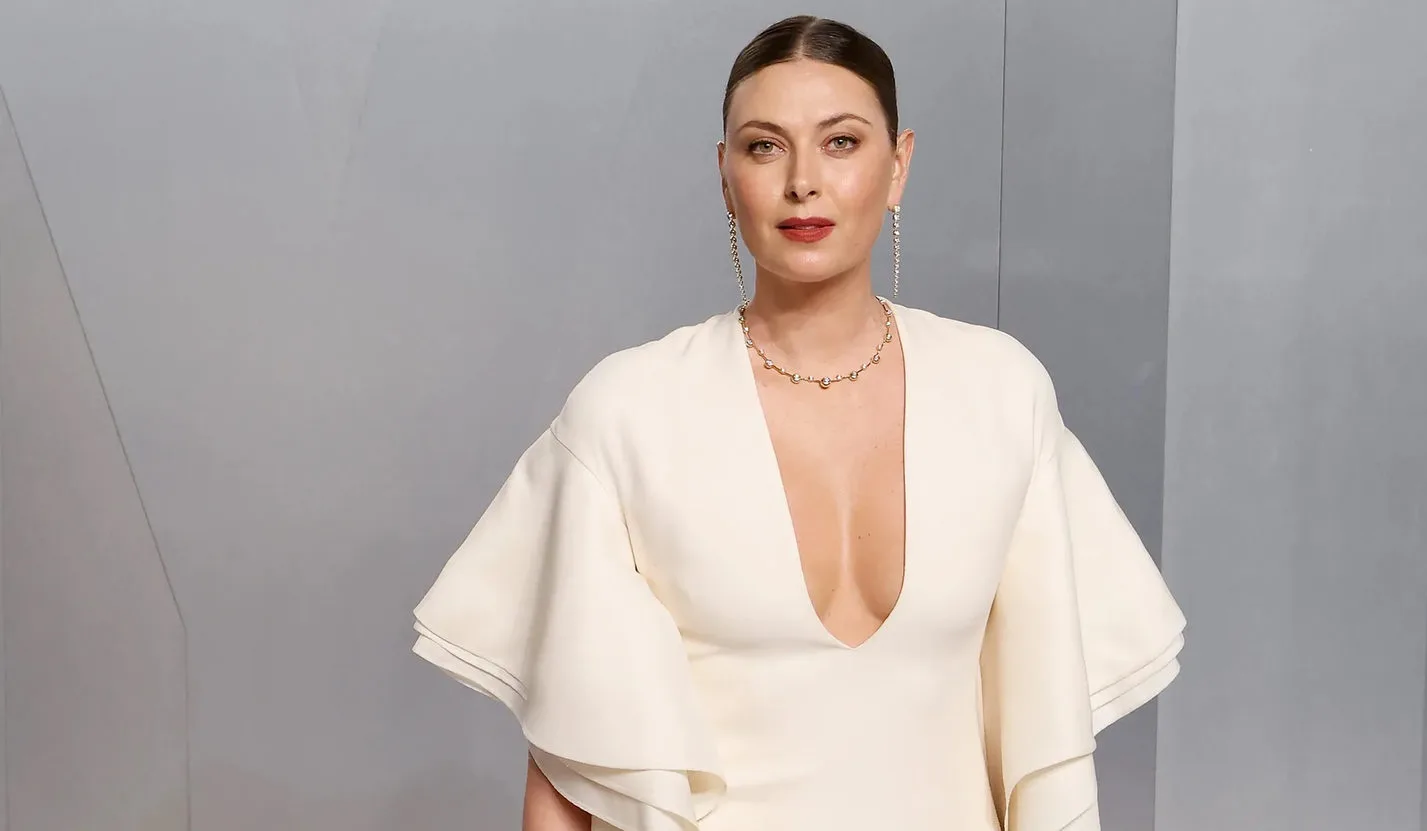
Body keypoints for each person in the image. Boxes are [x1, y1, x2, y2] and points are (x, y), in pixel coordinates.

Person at [411, 14, 1186, 831]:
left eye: (841, 142)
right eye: (764, 147)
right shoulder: (629, 411)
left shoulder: (1001, 393)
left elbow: (1047, 723)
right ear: (725, 175)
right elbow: (574, 754)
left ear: (899, 165)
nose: (803, 182)